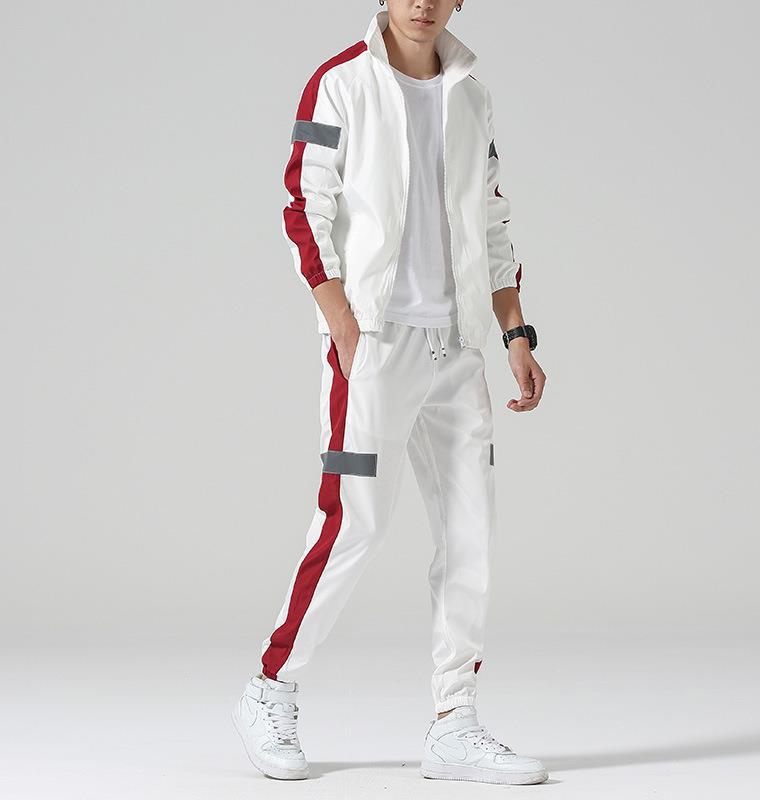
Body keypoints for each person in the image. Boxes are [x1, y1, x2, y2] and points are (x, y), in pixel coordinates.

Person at [232, 0, 547, 785]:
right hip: (376, 345)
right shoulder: (340, 84)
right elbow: (303, 206)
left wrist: (514, 333)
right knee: (354, 523)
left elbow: (493, 224)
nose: (421, 4)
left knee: (471, 535)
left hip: (457, 350)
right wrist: (342, 321)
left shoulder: (471, 96)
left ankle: (454, 723)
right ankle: (270, 687)